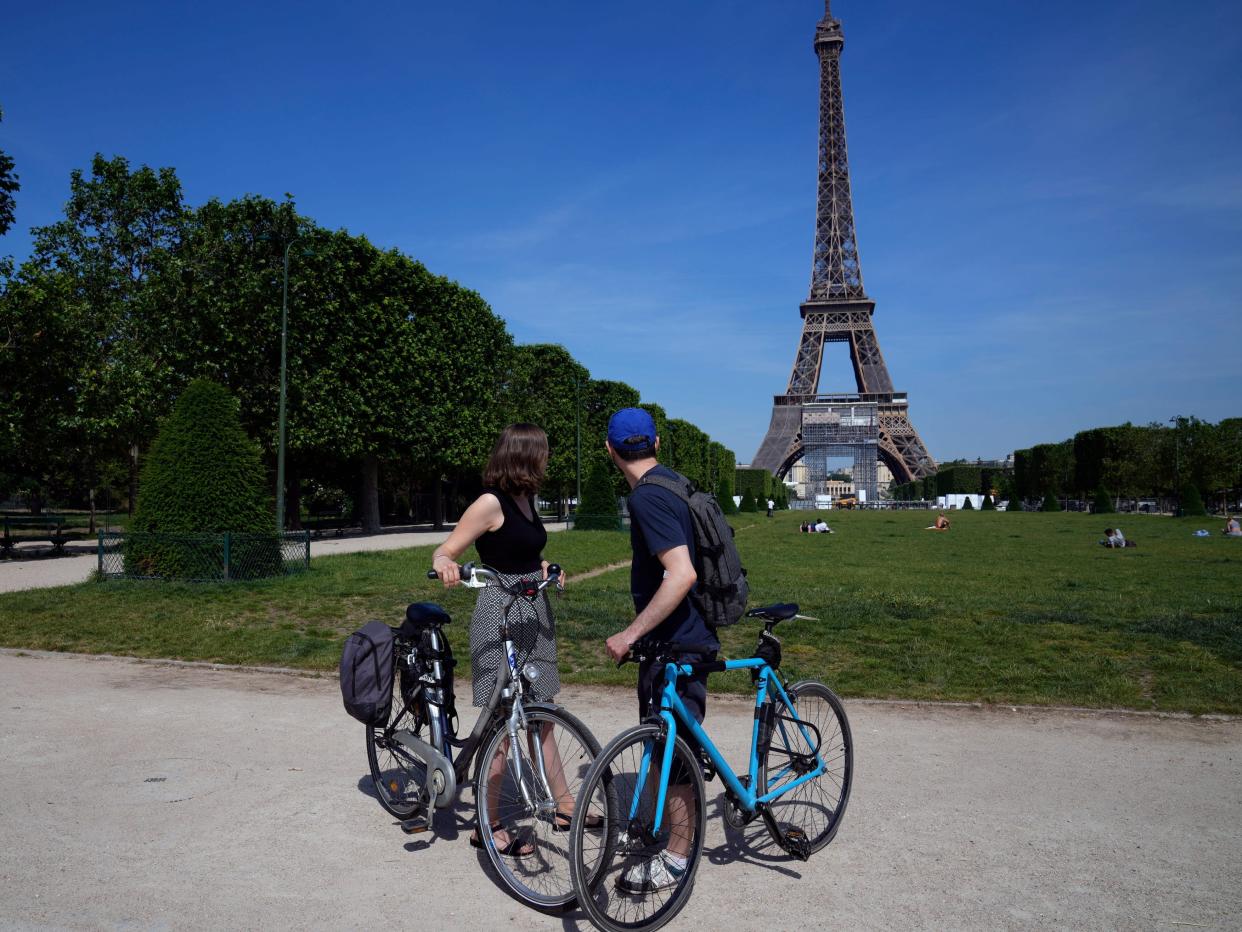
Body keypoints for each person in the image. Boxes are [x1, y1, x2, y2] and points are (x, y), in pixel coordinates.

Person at [431, 423, 571, 856]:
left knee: (542, 712)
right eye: (543, 453)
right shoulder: (490, 503)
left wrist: (549, 566)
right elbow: (444, 550)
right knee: (501, 726)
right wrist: (446, 565)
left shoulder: (525, 500)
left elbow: (524, 552)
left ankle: (565, 803)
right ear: (526, 455)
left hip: (534, 611)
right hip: (499, 613)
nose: (547, 460)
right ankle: (486, 825)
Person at [602, 407, 718, 894]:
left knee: (675, 751)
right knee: (664, 743)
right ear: (657, 443)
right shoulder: (673, 483)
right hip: (683, 635)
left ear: (609, 451)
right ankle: (664, 829)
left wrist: (629, 634)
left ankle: (676, 853)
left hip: (678, 641)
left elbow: (682, 574)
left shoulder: (648, 498)